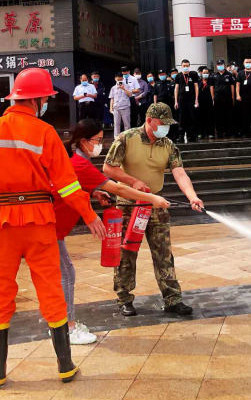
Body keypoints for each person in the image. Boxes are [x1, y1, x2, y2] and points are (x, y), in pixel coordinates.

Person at [0, 68, 106, 388]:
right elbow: (67, 186)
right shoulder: (45, 133)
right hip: (39, 222)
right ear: (39, 99)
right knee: (51, 291)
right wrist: (89, 215)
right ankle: (65, 367)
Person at [56, 119, 170, 344]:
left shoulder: (76, 161)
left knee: (65, 273)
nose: (100, 145)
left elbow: (70, 189)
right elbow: (117, 188)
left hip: (54, 228)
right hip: (50, 228)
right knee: (66, 274)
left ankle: (63, 324)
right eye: (97, 141)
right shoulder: (81, 164)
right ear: (82, 141)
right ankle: (66, 328)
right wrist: (152, 198)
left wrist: (93, 194)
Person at [103, 103, 204, 317]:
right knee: (126, 253)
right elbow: (108, 167)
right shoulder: (126, 138)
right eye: (162, 123)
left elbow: (179, 173)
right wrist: (133, 182)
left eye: (168, 124)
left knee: (163, 253)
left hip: (156, 205)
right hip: (128, 205)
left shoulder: (167, 144)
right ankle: (124, 298)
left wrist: (192, 197)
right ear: (149, 121)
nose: (166, 127)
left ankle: (172, 298)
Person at [174, 59, 200, 143]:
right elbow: (176, 88)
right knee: (182, 118)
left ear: (189, 66)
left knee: (192, 117)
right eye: (184, 66)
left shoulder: (193, 74)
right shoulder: (178, 76)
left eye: (187, 66)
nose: (185, 67)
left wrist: (196, 99)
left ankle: (192, 136)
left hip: (191, 99)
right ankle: (181, 136)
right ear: (181, 66)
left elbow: (196, 87)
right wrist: (176, 101)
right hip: (182, 100)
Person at [211, 59, 236, 138]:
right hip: (217, 99)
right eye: (218, 64)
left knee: (228, 115)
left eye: (221, 64)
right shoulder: (214, 75)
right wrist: (213, 98)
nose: (220, 66)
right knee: (218, 116)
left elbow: (232, 86)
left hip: (227, 98)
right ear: (216, 66)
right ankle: (219, 132)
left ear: (224, 65)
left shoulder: (229, 74)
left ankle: (228, 132)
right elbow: (211, 87)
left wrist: (232, 97)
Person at [109, 72, 134, 137]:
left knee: (127, 124)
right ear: (115, 79)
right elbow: (112, 98)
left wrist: (124, 89)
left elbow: (130, 95)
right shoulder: (113, 88)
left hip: (125, 107)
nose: (119, 81)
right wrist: (111, 108)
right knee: (116, 124)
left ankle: (127, 138)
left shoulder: (127, 86)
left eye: (120, 79)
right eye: (118, 79)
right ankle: (116, 138)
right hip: (116, 108)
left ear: (123, 78)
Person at [197, 67, 215, 139]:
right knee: (201, 118)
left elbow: (212, 91)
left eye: (206, 73)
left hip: (209, 101)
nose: (205, 74)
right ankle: (201, 133)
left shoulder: (211, 81)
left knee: (210, 118)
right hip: (200, 101)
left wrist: (213, 100)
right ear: (201, 73)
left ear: (209, 74)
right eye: (204, 73)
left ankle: (210, 133)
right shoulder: (198, 81)